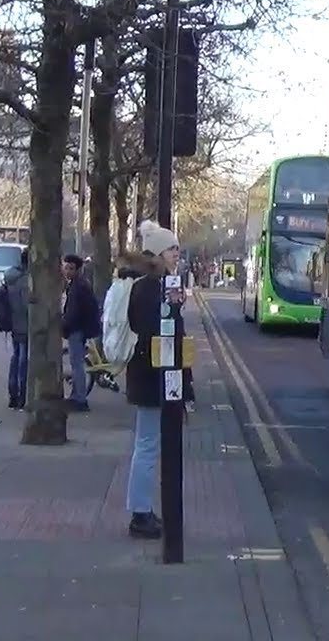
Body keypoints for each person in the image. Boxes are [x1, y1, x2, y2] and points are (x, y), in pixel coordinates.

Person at [123, 220, 184, 539]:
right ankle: (140, 514)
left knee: (148, 444)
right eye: (172, 248)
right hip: (152, 376)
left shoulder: (155, 284)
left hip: (152, 375)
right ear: (159, 253)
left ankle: (143, 511)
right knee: (147, 446)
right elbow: (158, 333)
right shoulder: (150, 287)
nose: (177, 253)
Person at [61, 254, 101, 412]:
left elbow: (74, 312)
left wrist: (64, 325)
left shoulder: (78, 286)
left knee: (77, 364)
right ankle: (77, 395)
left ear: (77, 269)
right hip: (81, 328)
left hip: (77, 329)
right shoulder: (79, 284)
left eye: (71, 268)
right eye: (66, 267)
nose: (67, 271)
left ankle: (80, 398)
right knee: (77, 363)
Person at [0, 250, 30, 409]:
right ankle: (21, 397)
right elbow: (26, 305)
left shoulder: (10, 276)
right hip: (25, 324)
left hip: (13, 324)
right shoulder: (25, 281)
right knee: (23, 361)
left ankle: (13, 395)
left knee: (16, 358)